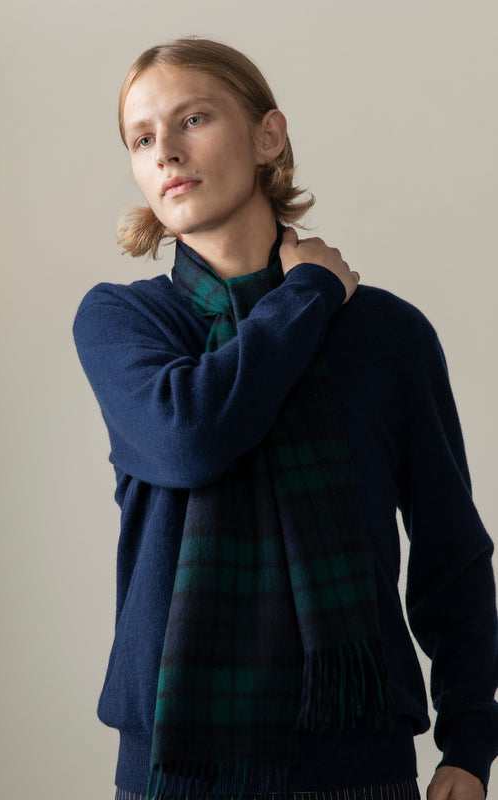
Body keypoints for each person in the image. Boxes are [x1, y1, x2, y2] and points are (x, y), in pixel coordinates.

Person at [73, 37, 498, 800]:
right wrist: (306, 297)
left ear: (268, 136)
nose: (165, 151)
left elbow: (450, 551)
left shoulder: (386, 335)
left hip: (356, 762)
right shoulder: (123, 322)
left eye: (192, 119)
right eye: (141, 138)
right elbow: (192, 436)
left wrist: (469, 743)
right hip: (174, 766)